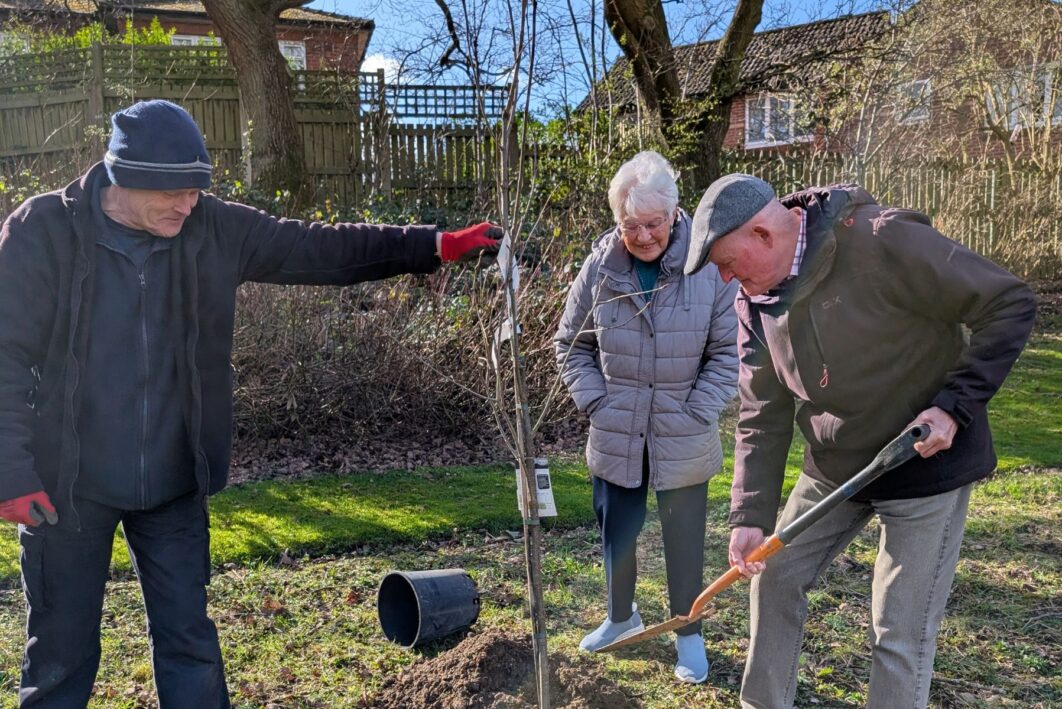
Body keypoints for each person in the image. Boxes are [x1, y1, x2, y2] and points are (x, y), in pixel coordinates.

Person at [0, 99, 500, 707]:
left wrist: (434, 245)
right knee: (59, 654)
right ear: (127, 179)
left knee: (189, 643)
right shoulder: (42, 231)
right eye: (177, 193)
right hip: (66, 486)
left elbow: (320, 248)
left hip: (172, 481)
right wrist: (12, 471)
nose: (190, 204)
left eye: (197, 191)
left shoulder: (211, 227)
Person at [683, 173, 1037, 708]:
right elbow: (762, 413)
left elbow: (1009, 303)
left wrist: (953, 407)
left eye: (729, 265)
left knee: (897, 627)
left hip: (923, 464)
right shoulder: (756, 305)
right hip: (836, 468)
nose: (729, 280)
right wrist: (749, 514)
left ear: (763, 234)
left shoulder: (882, 240)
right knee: (774, 578)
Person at [554, 151, 738, 684]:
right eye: (629, 225)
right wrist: (597, 403)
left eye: (653, 224)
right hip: (616, 430)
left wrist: (698, 410)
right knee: (619, 533)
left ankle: (688, 632)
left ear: (676, 213)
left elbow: (729, 352)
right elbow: (571, 344)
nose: (642, 236)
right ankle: (620, 617)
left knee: (684, 539)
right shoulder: (600, 267)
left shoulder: (706, 266)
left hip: (684, 431)